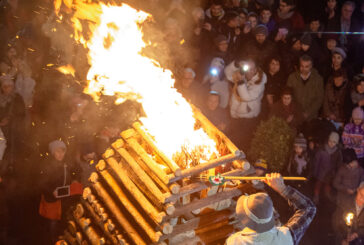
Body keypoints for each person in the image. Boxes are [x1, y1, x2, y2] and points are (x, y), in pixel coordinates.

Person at [226, 173, 316, 245]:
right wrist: (282, 188)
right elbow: (308, 208)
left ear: (245, 219)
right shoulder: (287, 238)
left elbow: (309, 208)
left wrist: (281, 188)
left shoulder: (234, 241)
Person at [226, 58, 267, 149]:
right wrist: (236, 64)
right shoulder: (242, 74)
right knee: (233, 144)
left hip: (248, 120)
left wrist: (240, 82)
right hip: (235, 116)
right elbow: (228, 74)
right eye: (247, 68)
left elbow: (246, 97)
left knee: (243, 145)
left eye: (251, 69)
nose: (249, 71)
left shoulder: (259, 83)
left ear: (256, 70)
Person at [287, 54, 324, 122]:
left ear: (311, 66)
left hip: (312, 116)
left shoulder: (318, 79)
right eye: (302, 66)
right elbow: (288, 96)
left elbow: (319, 99)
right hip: (295, 115)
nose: (303, 69)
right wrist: (297, 112)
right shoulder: (292, 77)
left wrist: (308, 112)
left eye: (306, 66)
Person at [312, 131, 342, 204]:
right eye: (330, 141)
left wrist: (335, 172)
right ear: (328, 140)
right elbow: (317, 161)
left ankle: (327, 194)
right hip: (321, 171)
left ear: (337, 143)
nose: (331, 143)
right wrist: (315, 171)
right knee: (318, 184)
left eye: (334, 142)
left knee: (327, 184)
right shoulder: (322, 150)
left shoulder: (337, 152)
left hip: (330, 173)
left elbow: (339, 163)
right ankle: (316, 195)